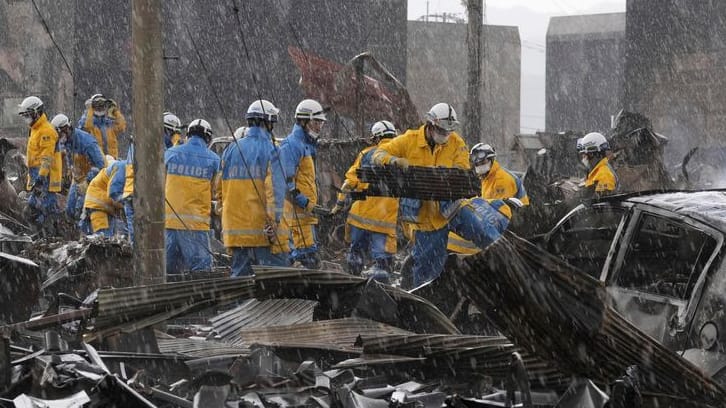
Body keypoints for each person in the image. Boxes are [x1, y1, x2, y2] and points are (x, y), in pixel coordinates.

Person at [372, 102, 469, 287]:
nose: (445, 136)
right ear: (430, 125)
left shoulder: (455, 142)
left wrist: (447, 175)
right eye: (441, 131)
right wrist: (393, 160)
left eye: (448, 132)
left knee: (436, 265)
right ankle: (421, 300)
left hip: (445, 213)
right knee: (426, 269)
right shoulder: (409, 140)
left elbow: (463, 168)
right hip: (420, 217)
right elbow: (378, 155)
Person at [220, 100, 288, 277]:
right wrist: (274, 223)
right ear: (269, 123)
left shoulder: (230, 149)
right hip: (260, 233)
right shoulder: (272, 150)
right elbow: (275, 191)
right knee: (270, 284)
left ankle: (237, 305)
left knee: (240, 286)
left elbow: (220, 190)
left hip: (235, 232)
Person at [332, 120, 399, 280]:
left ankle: (352, 286)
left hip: (359, 219)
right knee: (382, 265)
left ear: (376, 137)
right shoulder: (399, 156)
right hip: (384, 223)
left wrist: (339, 205)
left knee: (355, 257)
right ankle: (381, 295)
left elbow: (348, 183)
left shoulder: (365, 154)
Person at [164, 119, 220, 276]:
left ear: (188, 135)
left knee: (168, 274)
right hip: (195, 227)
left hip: (169, 225)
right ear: (208, 138)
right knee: (201, 274)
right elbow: (216, 190)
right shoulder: (214, 160)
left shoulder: (170, 154)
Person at [279, 99, 328, 269]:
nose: (319, 127)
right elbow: (285, 184)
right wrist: (306, 203)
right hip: (297, 220)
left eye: (321, 123)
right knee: (306, 261)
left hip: (306, 218)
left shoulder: (307, 146)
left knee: (310, 261)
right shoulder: (292, 145)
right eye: (316, 122)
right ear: (303, 120)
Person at [18, 96, 63, 233]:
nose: (26, 118)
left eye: (28, 115)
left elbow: (47, 158)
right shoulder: (35, 129)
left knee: (43, 210)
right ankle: (45, 236)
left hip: (45, 178)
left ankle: (52, 237)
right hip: (36, 175)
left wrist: (41, 177)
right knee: (34, 211)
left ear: (37, 112)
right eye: (24, 115)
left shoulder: (46, 131)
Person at [50, 113, 106, 221]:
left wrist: (87, 180)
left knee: (82, 211)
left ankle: (85, 232)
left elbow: (101, 166)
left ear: (66, 129)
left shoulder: (87, 142)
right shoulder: (66, 142)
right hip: (77, 180)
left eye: (59, 134)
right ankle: (73, 230)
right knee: (70, 211)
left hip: (93, 181)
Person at [81, 157, 123, 236]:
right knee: (103, 240)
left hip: (101, 207)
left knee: (105, 239)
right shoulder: (119, 172)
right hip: (99, 208)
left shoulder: (116, 171)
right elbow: (115, 198)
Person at [78, 93, 126, 158]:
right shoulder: (87, 120)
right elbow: (87, 127)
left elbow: (121, 126)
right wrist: (90, 110)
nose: (100, 107)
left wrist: (115, 111)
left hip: (112, 160)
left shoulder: (109, 123)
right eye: (97, 104)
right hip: (96, 161)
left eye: (102, 104)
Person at [579, 132, 618, 197]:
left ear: (591, 154)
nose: (583, 159)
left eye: (584, 155)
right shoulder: (596, 173)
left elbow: (601, 203)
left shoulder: (604, 175)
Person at [109, 160, 134, 242]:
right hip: (127, 198)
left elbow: (113, 192)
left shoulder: (121, 167)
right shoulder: (121, 166)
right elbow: (113, 192)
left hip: (127, 197)